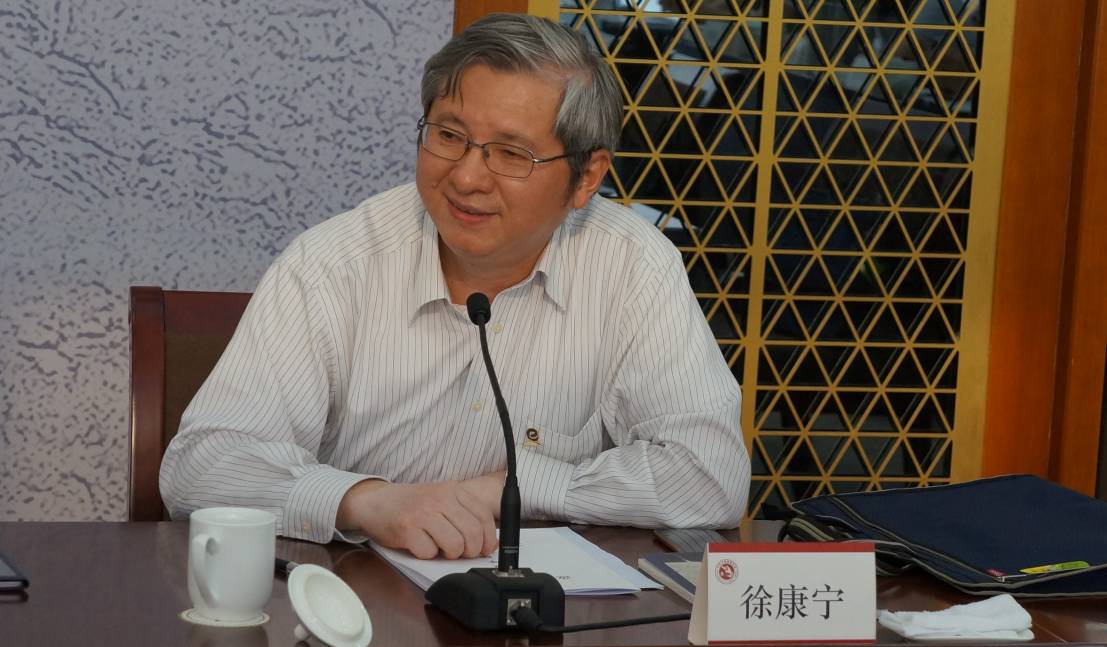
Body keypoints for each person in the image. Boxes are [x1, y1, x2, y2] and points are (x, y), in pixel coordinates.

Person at [160, 13, 750, 560]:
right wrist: (365, 500)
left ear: (586, 176)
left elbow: (710, 476)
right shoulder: (335, 263)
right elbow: (201, 467)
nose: (466, 177)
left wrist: (514, 487)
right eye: (448, 136)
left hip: (545, 604)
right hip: (352, 598)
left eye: (511, 154)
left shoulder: (631, 266)